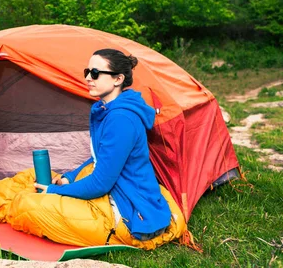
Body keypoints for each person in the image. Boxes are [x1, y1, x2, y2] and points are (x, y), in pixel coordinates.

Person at [21, 48, 172, 244]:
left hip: (131, 213)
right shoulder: (108, 110)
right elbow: (99, 158)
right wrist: (69, 178)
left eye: (95, 73)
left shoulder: (121, 119)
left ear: (118, 79)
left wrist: (53, 192)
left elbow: (100, 184)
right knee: (27, 181)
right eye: (87, 72)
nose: (88, 78)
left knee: (26, 205)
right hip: (118, 194)